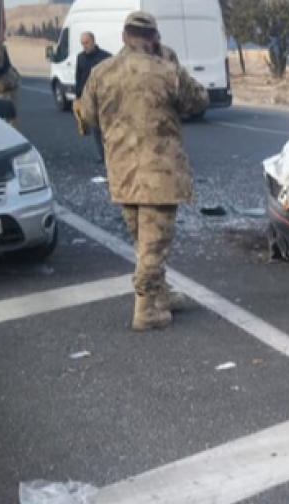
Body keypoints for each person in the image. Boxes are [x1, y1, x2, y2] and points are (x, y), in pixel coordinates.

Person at [74, 10, 209, 332]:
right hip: (159, 173)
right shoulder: (166, 71)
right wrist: (170, 61)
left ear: (123, 37)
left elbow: (87, 116)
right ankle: (145, 310)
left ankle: (159, 294)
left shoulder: (101, 71)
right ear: (154, 38)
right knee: (153, 243)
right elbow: (199, 101)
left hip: (122, 171)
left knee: (143, 241)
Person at [74, 31, 112, 161]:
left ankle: (110, 153)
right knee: (95, 128)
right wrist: (78, 97)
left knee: (107, 127)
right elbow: (78, 77)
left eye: (86, 42)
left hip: (103, 98)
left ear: (93, 41)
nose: (84, 46)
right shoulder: (80, 58)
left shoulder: (106, 57)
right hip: (88, 99)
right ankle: (102, 154)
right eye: (82, 43)